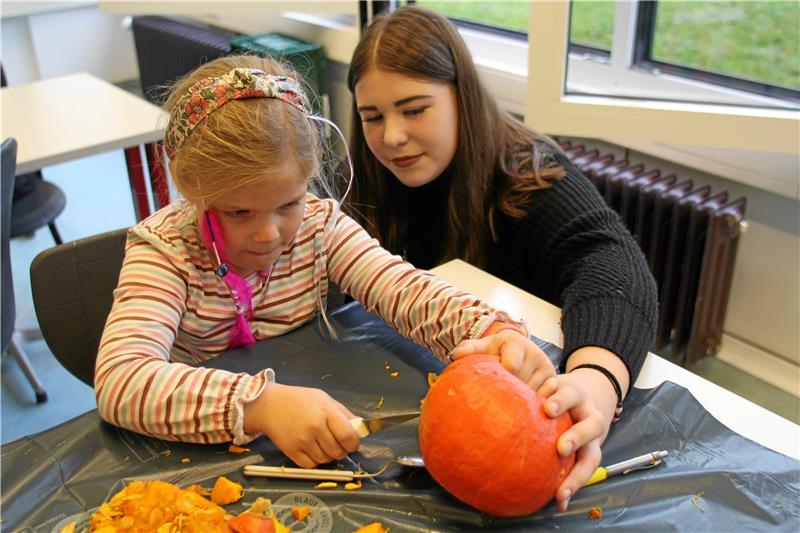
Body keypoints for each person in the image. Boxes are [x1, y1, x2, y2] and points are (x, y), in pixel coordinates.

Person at [95, 54, 558, 471]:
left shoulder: (319, 227)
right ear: (192, 192)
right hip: (193, 450)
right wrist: (260, 406)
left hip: (313, 425)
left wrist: (488, 331)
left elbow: (402, 288)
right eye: (238, 212)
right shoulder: (163, 252)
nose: (269, 234)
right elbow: (120, 382)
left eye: (289, 203)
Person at [345, 6, 658, 510]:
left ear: (460, 98)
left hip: (525, 412)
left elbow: (614, 268)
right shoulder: (355, 179)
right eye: (372, 117)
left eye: (414, 109)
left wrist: (594, 385)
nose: (392, 137)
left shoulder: (530, 174)